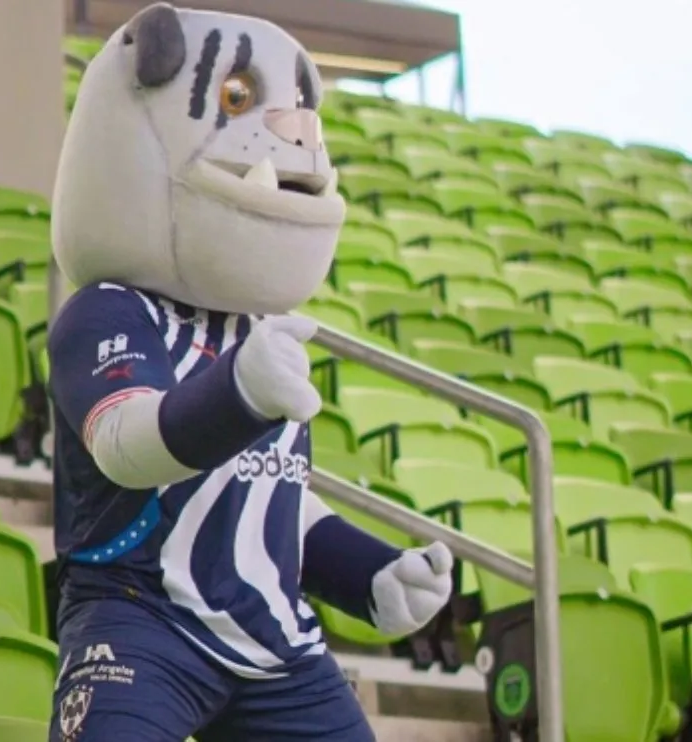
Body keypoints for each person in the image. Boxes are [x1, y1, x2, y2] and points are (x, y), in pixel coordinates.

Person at [45, 4, 453, 739]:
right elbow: (126, 446)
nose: (294, 128)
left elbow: (269, 494)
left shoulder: (259, 329)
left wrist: (369, 575)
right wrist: (237, 395)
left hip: (276, 643)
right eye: (238, 98)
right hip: (141, 617)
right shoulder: (108, 311)